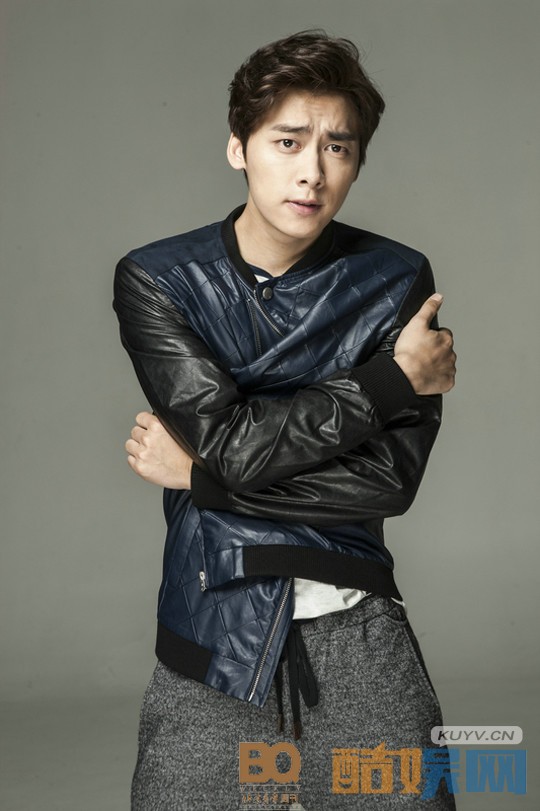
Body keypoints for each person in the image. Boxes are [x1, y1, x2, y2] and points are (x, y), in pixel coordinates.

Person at [113, 30, 457, 810]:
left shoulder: (396, 278)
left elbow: (388, 482)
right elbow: (229, 441)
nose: (313, 171)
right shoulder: (162, 279)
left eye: (338, 147)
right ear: (239, 147)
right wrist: (389, 380)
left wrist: (204, 479)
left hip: (359, 631)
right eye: (289, 141)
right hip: (211, 634)